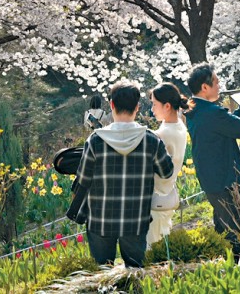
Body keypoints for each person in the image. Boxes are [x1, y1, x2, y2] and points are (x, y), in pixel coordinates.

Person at [72, 81, 174, 268]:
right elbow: (167, 172)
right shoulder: (151, 140)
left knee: (102, 273)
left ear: (111, 105)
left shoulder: (95, 140)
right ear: (137, 107)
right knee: (136, 272)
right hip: (135, 220)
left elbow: (83, 179)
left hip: (100, 220)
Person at [184, 64, 240, 261]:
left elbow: (228, 124)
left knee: (223, 230)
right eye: (216, 82)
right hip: (225, 181)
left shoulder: (196, 110)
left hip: (213, 180)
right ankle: (230, 273)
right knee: (235, 233)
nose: (219, 85)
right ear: (205, 87)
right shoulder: (211, 112)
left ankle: (223, 269)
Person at [147, 83, 189, 246]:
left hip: (157, 199)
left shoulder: (163, 134)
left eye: (154, 104)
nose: (152, 109)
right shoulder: (178, 125)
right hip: (167, 194)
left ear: (167, 106)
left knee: (153, 249)